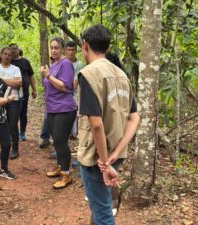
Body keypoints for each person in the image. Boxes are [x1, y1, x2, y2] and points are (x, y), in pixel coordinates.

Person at [77, 24, 140, 225]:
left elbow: (96, 125)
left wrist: (104, 163)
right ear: (108, 46)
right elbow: (134, 117)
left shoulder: (88, 74)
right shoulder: (122, 75)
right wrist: (115, 153)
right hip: (116, 154)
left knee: (103, 213)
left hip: (96, 157)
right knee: (100, 206)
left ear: (85, 45)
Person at [41, 37, 77, 189]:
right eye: (52, 47)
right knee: (56, 140)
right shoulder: (54, 65)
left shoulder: (66, 64)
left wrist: (48, 76)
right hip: (52, 108)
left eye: (56, 47)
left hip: (65, 108)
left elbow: (65, 87)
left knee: (61, 142)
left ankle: (66, 175)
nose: (53, 50)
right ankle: (61, 167)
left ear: (62, 48)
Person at [0, 47, 22, 159]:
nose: (7, 56)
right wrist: (10, 81)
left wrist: (1, 79)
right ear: (1, 54)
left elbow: (18, 83)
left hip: (13, 100)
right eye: (5, 54)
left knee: (12, 125)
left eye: (9, 55)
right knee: (1, 125)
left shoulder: (15, 69)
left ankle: (15, 149)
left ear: (12, 56)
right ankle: (4, 149)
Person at [9, 43, 37, 141]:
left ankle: (22, 132)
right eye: (11, 49)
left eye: (15, 48)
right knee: (12, 112)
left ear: (18, 49)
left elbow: (31, 76)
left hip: (24, 92)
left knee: (23, 112)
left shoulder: (25, 61)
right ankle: (12, 133)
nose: (14, 51)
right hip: (11, 92)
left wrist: (34, 89)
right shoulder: (9, 62)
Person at [65, 41, 84, 139]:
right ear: (65, 51)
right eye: (68, 50)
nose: (71, 52)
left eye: (73, 50)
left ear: (76, 51)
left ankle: (72, 133)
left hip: (73, 94)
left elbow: (74, 84)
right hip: (61, 94)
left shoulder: (79, 64)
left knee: (73, 115)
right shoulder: (62, 62)